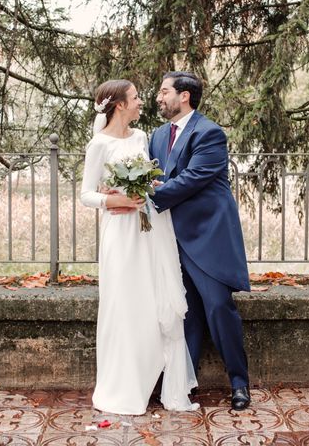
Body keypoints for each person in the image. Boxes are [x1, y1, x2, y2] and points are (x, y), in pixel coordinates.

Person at [80, 79, 199, 415]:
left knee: (148, 301)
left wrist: (150, 185)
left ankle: (151, 379)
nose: (140, 102)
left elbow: (147, 179)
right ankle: (122, 386)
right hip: (119, 231)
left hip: (147, 229)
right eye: (134, 98)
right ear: (119, 104)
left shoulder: (141, 137)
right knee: (123, 302)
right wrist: (114, 199)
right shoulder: (99, 145)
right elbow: (86, 194)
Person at [149, 71, 251, 410]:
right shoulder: (158, 135)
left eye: (164, 92)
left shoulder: (209, 133)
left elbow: (193, 178)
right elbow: (151, 171)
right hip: (170, 238)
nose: (159, 98)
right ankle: (182, 383)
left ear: (185, 97)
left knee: (219, 308)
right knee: (184, 314)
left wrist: (149, 195)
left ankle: (239, 382)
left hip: (207, 237)